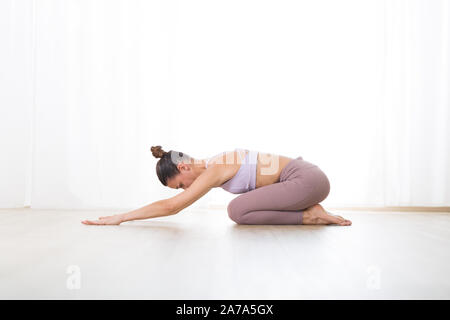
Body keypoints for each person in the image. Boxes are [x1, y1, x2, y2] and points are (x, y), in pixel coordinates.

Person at [81, 146, 352, 226]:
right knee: (241, 211)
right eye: (180, 189)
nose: (185, 191)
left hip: (306, 180)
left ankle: (309, 214)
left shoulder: (215, 169)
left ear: (183, 167)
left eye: (180, 185)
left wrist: (121, 218)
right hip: (305, 181)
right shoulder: (215, 164)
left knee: (237, 210)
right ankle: (309, 210)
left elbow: (173, 207)